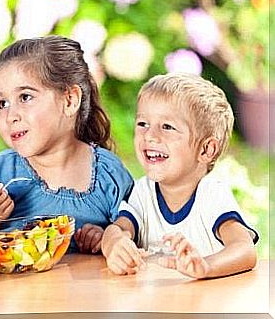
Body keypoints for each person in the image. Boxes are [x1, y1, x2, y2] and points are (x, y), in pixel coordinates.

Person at [0, 36, 133, 256]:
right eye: (3, 103)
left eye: (26, 97)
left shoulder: (109, 173)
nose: (11, 115)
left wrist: (105, 236)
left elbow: (132, 233)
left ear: (69, 101)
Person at [101, 73, 258, 279]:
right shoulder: (144, 191)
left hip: (205, 306)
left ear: (206, 150)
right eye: (142, 124)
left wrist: (205, 267)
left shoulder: (211, 194)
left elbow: (244, 250)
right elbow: (119, 228)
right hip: (156, 308)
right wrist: (115, 244)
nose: (149, 135)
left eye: (167, 127)